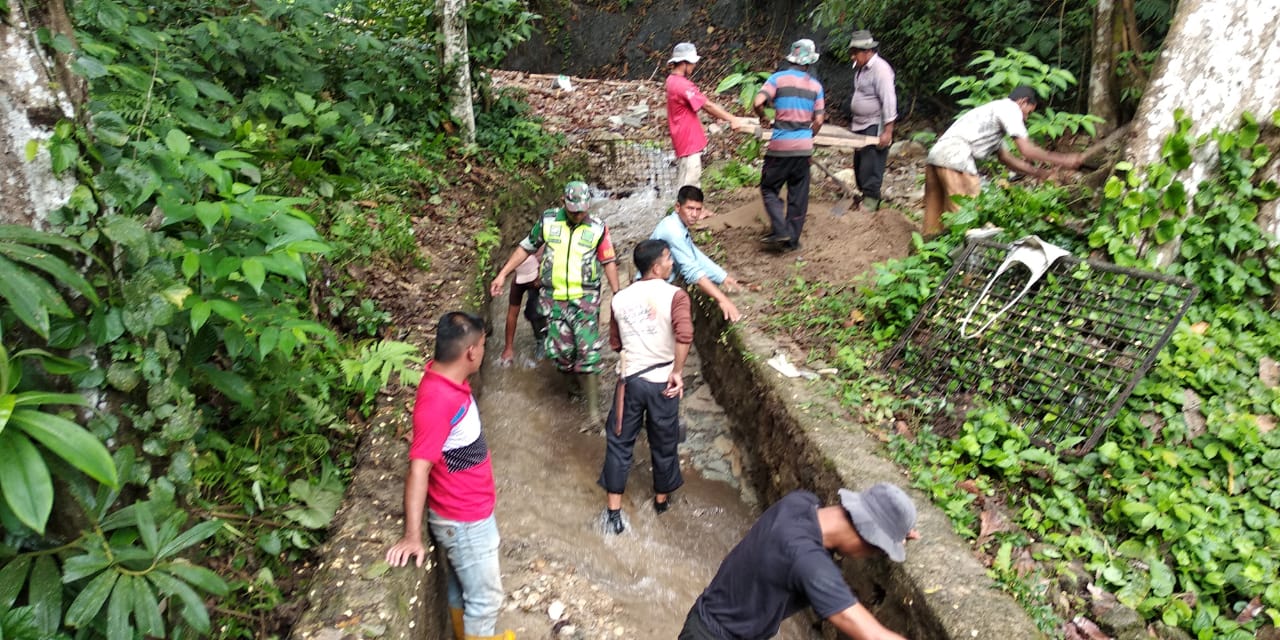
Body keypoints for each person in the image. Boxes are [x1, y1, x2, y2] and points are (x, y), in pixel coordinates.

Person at [385, 311, 516, 640]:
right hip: (465, 519)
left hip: (464, 512)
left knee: (461, 589)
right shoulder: (439, 400)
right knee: (486, 600)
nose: (484, 351)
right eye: (483, 345)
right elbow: (419, 467)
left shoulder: (445, 381)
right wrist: (412, 536)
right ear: (471, 352)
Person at [680, 483, 920, 640]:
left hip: (710, 617)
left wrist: (894, 530)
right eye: (877, 550)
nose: (869, 556)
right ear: (866, 538)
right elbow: (871, 634)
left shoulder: (800, 502)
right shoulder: (807, 562)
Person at [489, 181, 621, 421]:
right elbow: (525, 248)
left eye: (583, 210)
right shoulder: (548, 222)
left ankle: (592, 415)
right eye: (573, 211)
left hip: (585, 299)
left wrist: (618, 294)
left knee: (588, 352)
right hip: (554, 300)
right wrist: (502, 274)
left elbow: (608, 261)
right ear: (563, 203)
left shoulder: (598, 228)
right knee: (561, 352)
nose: (579, 215)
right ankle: (572, 388)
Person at [597, 239, 692, 534]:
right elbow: (684, 336)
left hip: (630, 382)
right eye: (667, 258)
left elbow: (615, 343)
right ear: (656, 266)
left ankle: (614, 512)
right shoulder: (676, 295)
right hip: (662, 382)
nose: (672, 262)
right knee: (664, 443)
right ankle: (661, 502)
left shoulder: (619, 298)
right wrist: (677, 371)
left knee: (620, 443)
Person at [923, 85, 1084, 237]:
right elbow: (1026, 149)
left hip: (936, 155)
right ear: (1022, 101)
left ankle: (927, 256)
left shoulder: (992, 115)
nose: (1026, 118)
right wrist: (1064, 160)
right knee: (967, 215)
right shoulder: (1010, 109)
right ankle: (961, 262)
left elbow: (1006, 158)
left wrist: (1039, 173)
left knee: (933, 221)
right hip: (956, 157)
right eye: (1028, 112)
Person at [753, 39, 826, 253]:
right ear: (809, 62)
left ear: (791, 59)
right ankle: (792, 240)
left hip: (779, 147)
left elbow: (758, 102)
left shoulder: (777, 80)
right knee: (798, 194)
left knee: (769, 188)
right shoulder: (816, 86)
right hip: (803, 149)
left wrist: (763, 117)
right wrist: (808, 136)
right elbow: (819, 120)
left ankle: (780, 228)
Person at [650, 185, 742, 322]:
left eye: (698, 210)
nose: (694, 214)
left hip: (659, 287)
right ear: (677, 207)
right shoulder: (673, 231)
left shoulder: (677, 225)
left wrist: (722, 276)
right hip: (650, 292)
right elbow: (692, 272)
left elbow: (694, 255)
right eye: (689, 208)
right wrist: (722, 300)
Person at [666, 42, 752, 189]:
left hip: (682, 138)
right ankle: (687, 210)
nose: (694, 66)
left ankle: (694, 209)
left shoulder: (671, 80)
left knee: (689, 181)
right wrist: (732, 119)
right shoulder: (682, 85)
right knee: (690, 184)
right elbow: (707, 105)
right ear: (684, 63)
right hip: (688, 142)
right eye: (692, 63)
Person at [848, 30, 897, 212]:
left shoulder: (881, 70)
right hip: (860, 123)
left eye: (856, 53)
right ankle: (864, 195)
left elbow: (889, 100)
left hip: (874, 123)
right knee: (860, 162)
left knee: (871, 163)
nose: (853, 56)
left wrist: (888, 130)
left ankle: (871, 201)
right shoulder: (861, 69)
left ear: (867, 51)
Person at [496, 248, 547, 367]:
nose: (532, 283)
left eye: (532, 279)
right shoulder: (518, 283)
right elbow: (512, 315)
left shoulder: (552, 267)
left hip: (553, 286)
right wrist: (508, 348)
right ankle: (541, 340)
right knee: (533, 310)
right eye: (527, 281)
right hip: (538, 290)